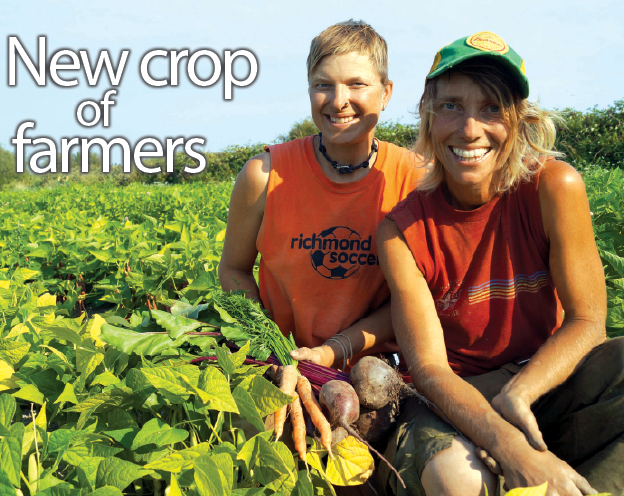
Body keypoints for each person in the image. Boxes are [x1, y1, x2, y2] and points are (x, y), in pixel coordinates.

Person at [377, 31, 624, 496]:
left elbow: (589, 321)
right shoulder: (401, 232)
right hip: (451, 397)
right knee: (460, 483)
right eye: (451, 105)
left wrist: (520, 394)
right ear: (428, 115)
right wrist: (510, 446)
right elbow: (429, 370)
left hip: (545, 375)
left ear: (518, 121)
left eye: (491, 108)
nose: (470, 129)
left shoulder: (552, 187)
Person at [218, 20, 424, 371]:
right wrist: (268, 345)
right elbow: (234, 269)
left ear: (386, 93)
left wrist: (335, 350)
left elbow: (416, 296)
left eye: (356, 84)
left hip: (376, 369)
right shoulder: (264, 175)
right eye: (323, 85)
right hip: (281, 364)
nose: (338, 101)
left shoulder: (414, 178)